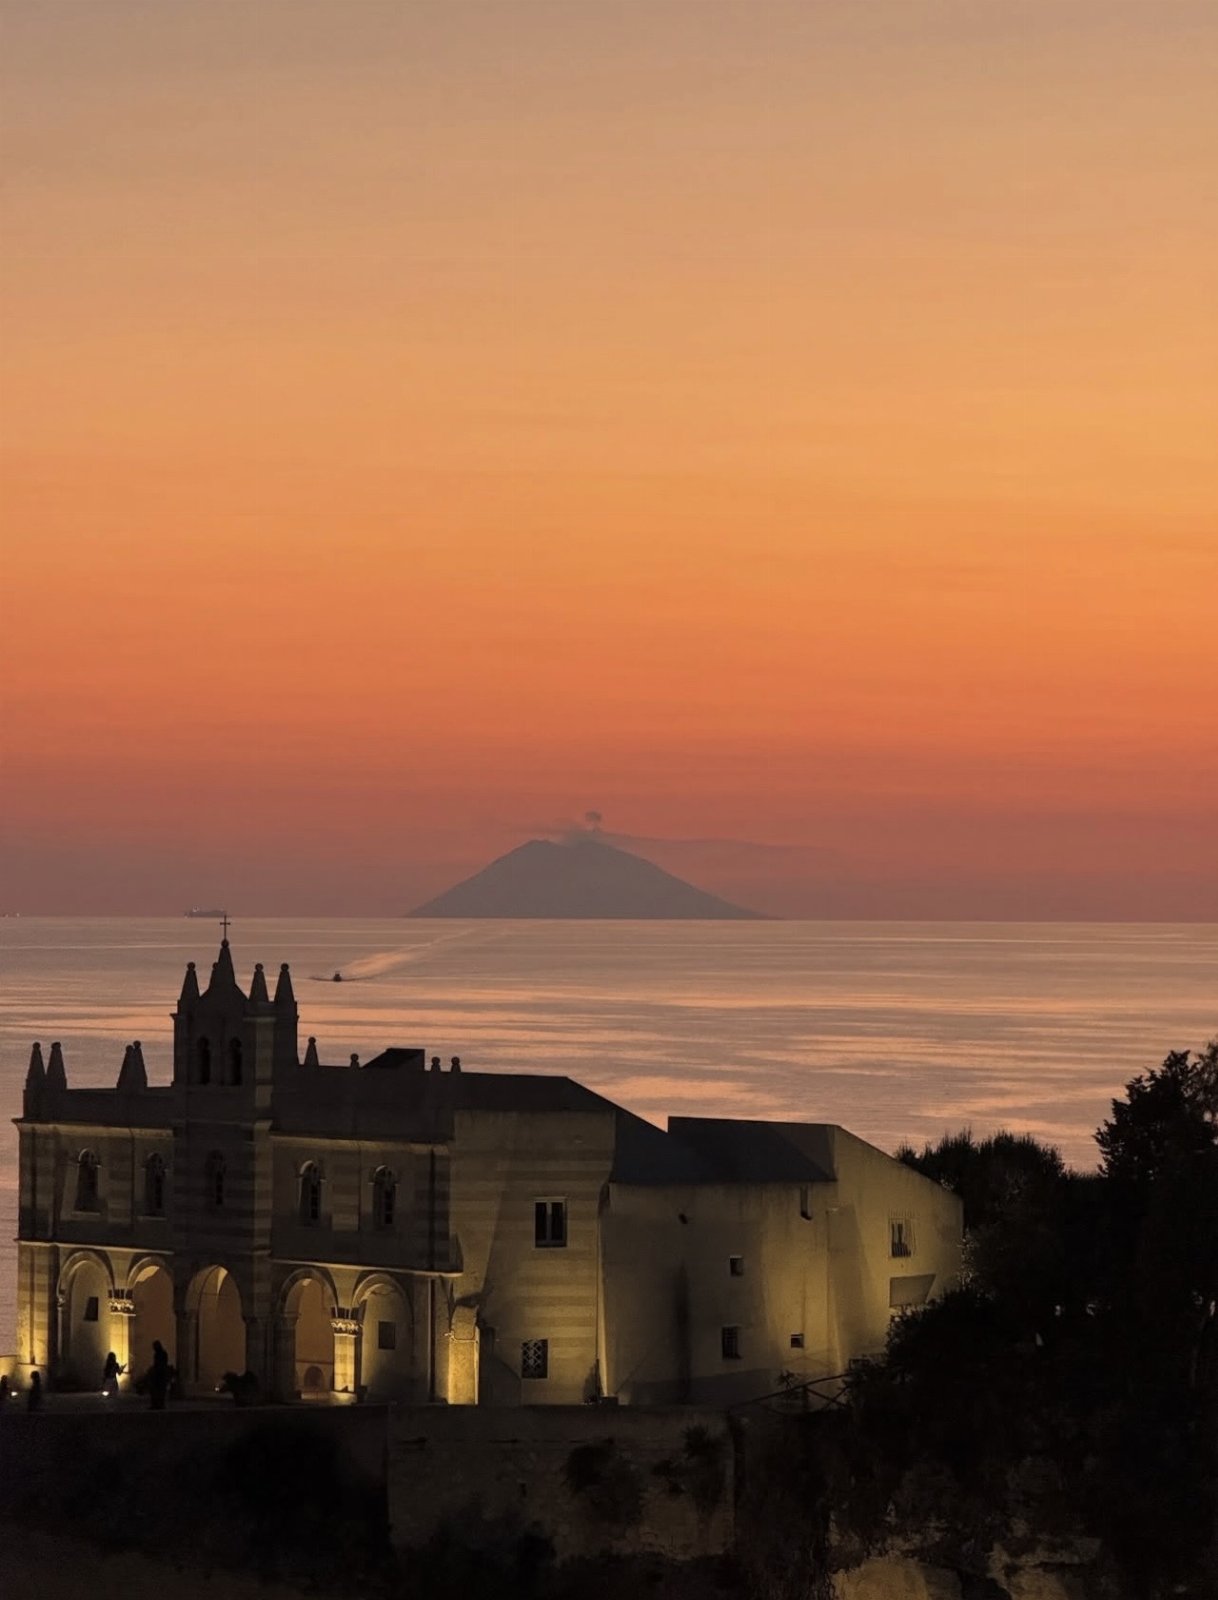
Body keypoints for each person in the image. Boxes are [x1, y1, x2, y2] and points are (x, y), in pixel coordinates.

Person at [146, 1340, 170, 1410]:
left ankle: (158, 1404)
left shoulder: (161, 1354)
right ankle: (157, 1404)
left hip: (160, 1374)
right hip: (159, 1374)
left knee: (159, 1391)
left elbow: (160, 1364)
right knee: (158, 1391)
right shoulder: (159, 1354)